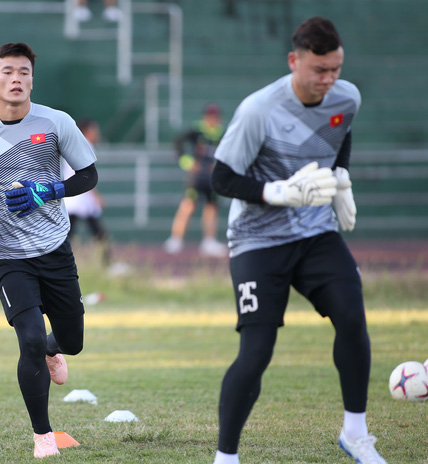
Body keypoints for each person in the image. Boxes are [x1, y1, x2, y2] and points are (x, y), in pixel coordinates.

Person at [210, 17, 385, 464]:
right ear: (294, 60)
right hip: (256, 240)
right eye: (319, 70)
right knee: (256, 353)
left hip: (314, 232)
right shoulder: (258, 110)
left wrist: (341, 177)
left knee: (351, 317)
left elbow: (339, 135)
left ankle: (355, 433)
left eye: (336, 69)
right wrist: (277, 192)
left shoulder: (347, 98)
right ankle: (225, 458)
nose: (328, 80)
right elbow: (221, 177)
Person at [0, 42, 97, 458]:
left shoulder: (56, 123)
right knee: (28, 338)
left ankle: (55, 348)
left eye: (24, 72)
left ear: (32, 78)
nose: (17, 79)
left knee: (72, 340)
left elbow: (88, 175)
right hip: (6, 253)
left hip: (53, 247)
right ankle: (44, 438)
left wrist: (50, 190)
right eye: (9, 72)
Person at [164, 104, 228, 257]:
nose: (213, 120)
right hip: (196, 176)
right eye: (210, 117)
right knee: (188, 205)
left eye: (215, 117)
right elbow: (178, 142)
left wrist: (219, 166)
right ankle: (176, 239)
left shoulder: (222, 134)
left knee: (211, 207)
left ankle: (209, 241)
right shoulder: (196, 131)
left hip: (212, 178)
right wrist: (187, 162)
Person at [62, 118, 110, 265]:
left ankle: (107, 260)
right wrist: (97, 196)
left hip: (77, 197)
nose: (97, 133)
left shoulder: (76, 144)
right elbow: (85, 175)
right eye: (95, 130)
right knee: (70, 234)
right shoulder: (85, 145)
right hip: (78, 197)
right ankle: (107, 261)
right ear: (87, 131)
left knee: (95, 231)